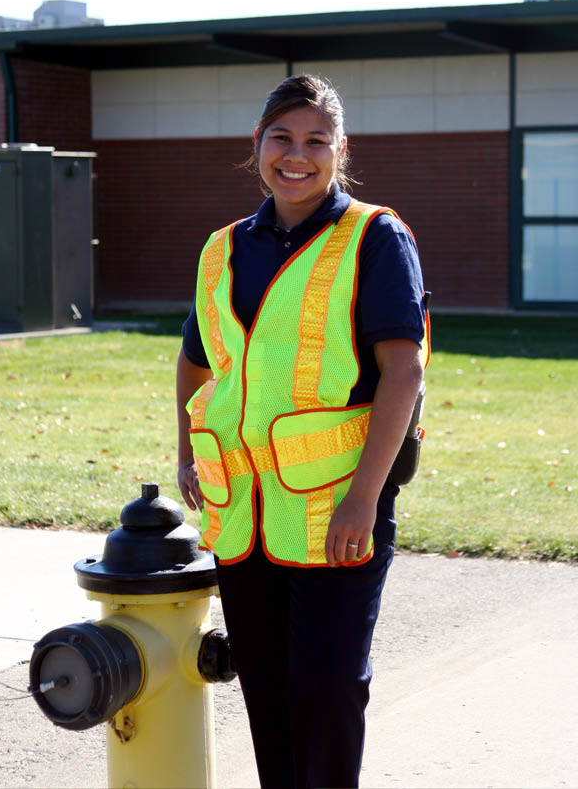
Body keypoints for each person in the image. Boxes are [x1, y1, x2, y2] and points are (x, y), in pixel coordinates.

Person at [176, 73, 429, 789]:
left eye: (316, 140)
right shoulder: (222, 249)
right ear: (256, 145)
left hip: (337, 512)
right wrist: (187, 450)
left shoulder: (375, 237)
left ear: (339, 151)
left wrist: (363, 500)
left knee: (327, 689)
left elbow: (403, 375)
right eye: (281, 138)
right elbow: (195, 362)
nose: (297, 154)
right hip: (245, 518)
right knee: (268, 692)